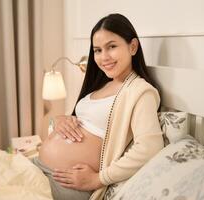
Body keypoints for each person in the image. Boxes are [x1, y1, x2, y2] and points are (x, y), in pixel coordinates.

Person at [34, 13, 164, 200]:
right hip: (39, 166)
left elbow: (149, 147)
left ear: (133, 47)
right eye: (97, 50)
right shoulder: (100, 84)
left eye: (111, 47)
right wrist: (58, 120)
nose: (104, 57)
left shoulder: (140, 92)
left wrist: (98, 179)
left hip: (65, 183)